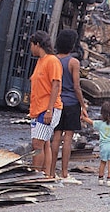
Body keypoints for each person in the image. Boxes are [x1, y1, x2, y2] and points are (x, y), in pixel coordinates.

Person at [50, 29, 88, 185]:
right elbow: (76, 86)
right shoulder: (74, 62)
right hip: (71, 103)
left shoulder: (53, 60)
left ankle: (51, 172)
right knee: (67, 139)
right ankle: (65, 173)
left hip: (57, 102)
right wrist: (83, 104)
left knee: (56, 137)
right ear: (72, 45)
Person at [28, 30, 63, 178]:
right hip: (38, 108)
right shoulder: (40, 61)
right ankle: (46, 174)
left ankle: (36, 175)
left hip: (48, 108)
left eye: (31, 45)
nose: (30, 48)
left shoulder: (52, 61)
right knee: (44, 143)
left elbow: (55, 84)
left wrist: (49, 110)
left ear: (37, 44)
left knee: (37, 145)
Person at [81, 101, 110, 187]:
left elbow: (90, 122)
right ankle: (109, 179)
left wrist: (83, 117)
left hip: (103, 146)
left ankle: (100, 179)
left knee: (103, 162)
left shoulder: (100, 124)